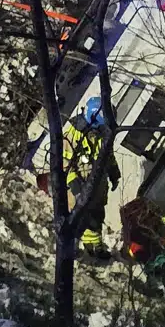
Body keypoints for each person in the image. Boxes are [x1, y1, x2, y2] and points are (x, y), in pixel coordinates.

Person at [62, 97, 120, 260]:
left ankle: (95, 247)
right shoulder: (72, 136)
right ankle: (70, 249)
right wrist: (75, 187)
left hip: (98, 187)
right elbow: (65, 164)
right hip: (80, 187)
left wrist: (114, 173)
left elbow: (108, 155)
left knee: (96, 217)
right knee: (77, 220)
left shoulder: (102, 134)